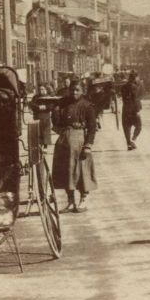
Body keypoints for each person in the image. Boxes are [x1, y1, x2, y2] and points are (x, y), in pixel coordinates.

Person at [52, 79, 100, 213]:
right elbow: (56, 123)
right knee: (67, 171)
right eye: (72, 89)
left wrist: (88, 145)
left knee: (81, 171)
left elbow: (92, 128)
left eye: (77, 90)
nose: (74, 92)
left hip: (80, 141)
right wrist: (55, 112)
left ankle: (83, 199)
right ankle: (70, 201)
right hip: (64, 141)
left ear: (83, 91)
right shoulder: (63, 104)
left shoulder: (87, 106)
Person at [120, 71, 144, 150]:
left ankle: (129, 144)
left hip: (125, 109)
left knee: (127, 127)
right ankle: (133, 140)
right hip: (133, 109)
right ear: (135, 78)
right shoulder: (134, 87)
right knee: (139, 126)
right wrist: (138, 110)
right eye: (137, 77)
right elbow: (135, 99)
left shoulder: (123, 87)